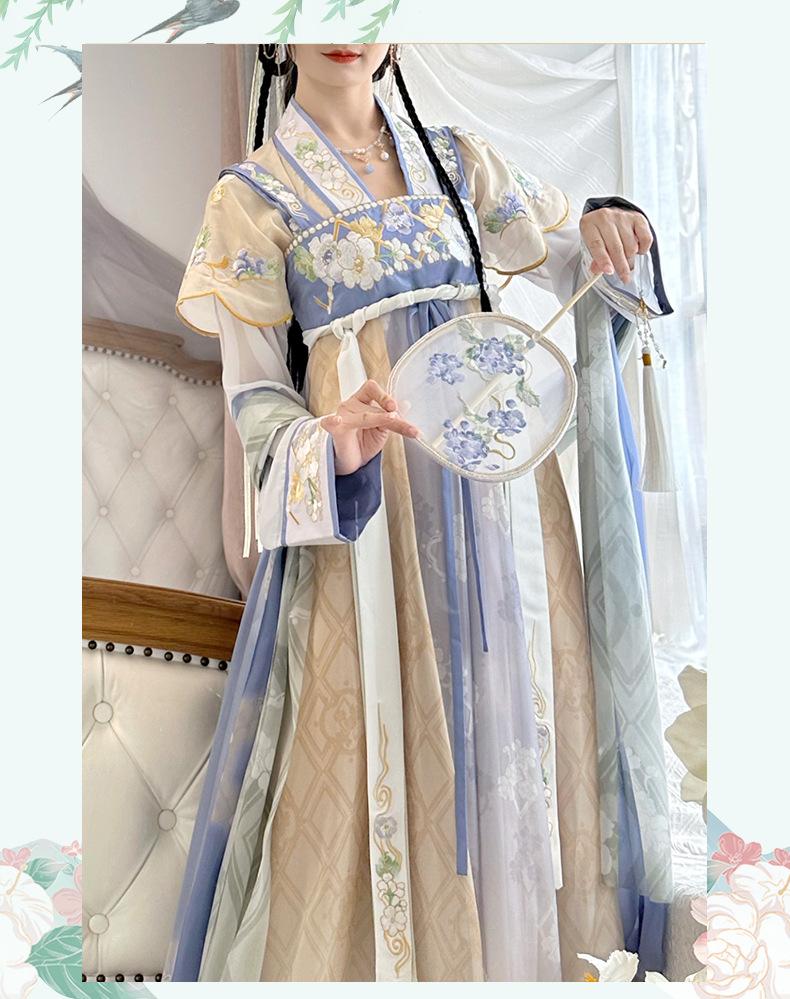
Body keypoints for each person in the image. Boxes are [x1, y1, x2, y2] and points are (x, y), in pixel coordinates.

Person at [163, 42, 671, 983]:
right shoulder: (250, 199)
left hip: (503, 517)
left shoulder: (457, 159)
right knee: (373, 778)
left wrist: (612, 223)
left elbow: (582, 264)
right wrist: (331, 444)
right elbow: (258, 403)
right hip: (370, 528)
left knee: (522, 745)